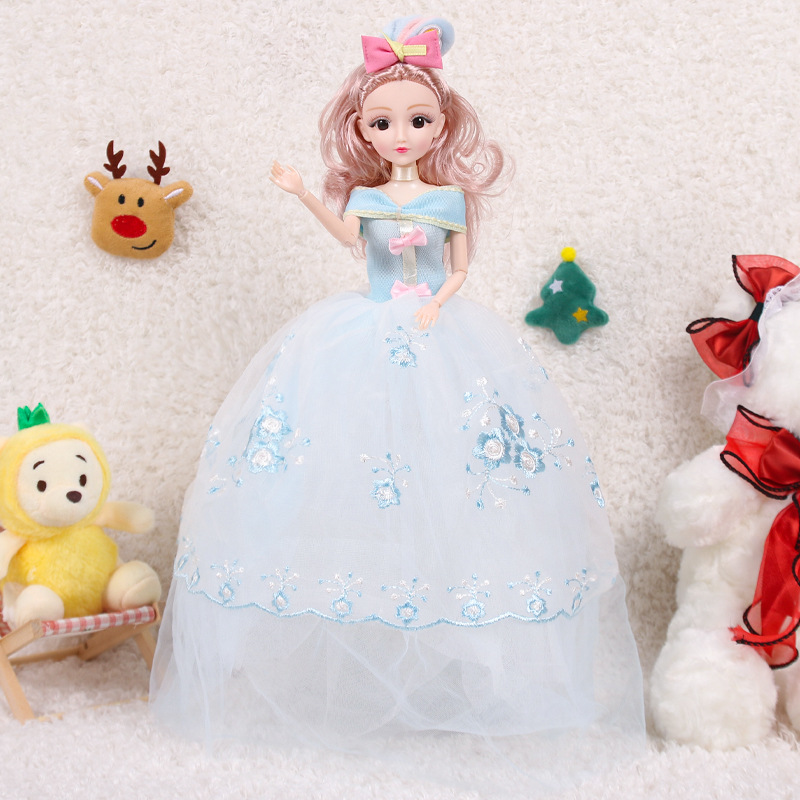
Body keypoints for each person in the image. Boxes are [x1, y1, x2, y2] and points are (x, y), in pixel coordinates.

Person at [150, 15, 644, 791]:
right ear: (362, 130)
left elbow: (461, 269)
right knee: (346, 472)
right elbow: (348, 239)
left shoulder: (449, 199)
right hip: (361, 333)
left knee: (456, 478)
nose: (400, 134)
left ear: (441, 125)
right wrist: (300, 193)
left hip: (438, 333)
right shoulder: (367, 196)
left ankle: (454, 649)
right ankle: (357, 660)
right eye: (382, 122)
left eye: (417, 120)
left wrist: (436, 304)